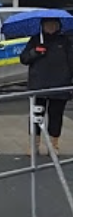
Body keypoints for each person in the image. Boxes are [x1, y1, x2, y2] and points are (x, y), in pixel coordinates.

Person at [19, 17, 73, 155]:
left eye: (54, 25)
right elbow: (24, 59)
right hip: (38, 85)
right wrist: (35, 53)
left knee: (56, 116)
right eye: (48, 25)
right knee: (36, 115)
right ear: (42, 26)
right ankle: (34, 144)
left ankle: (53, 145)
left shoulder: (65, 41)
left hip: (60, 85)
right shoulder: (36, 40)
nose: (51, 27)